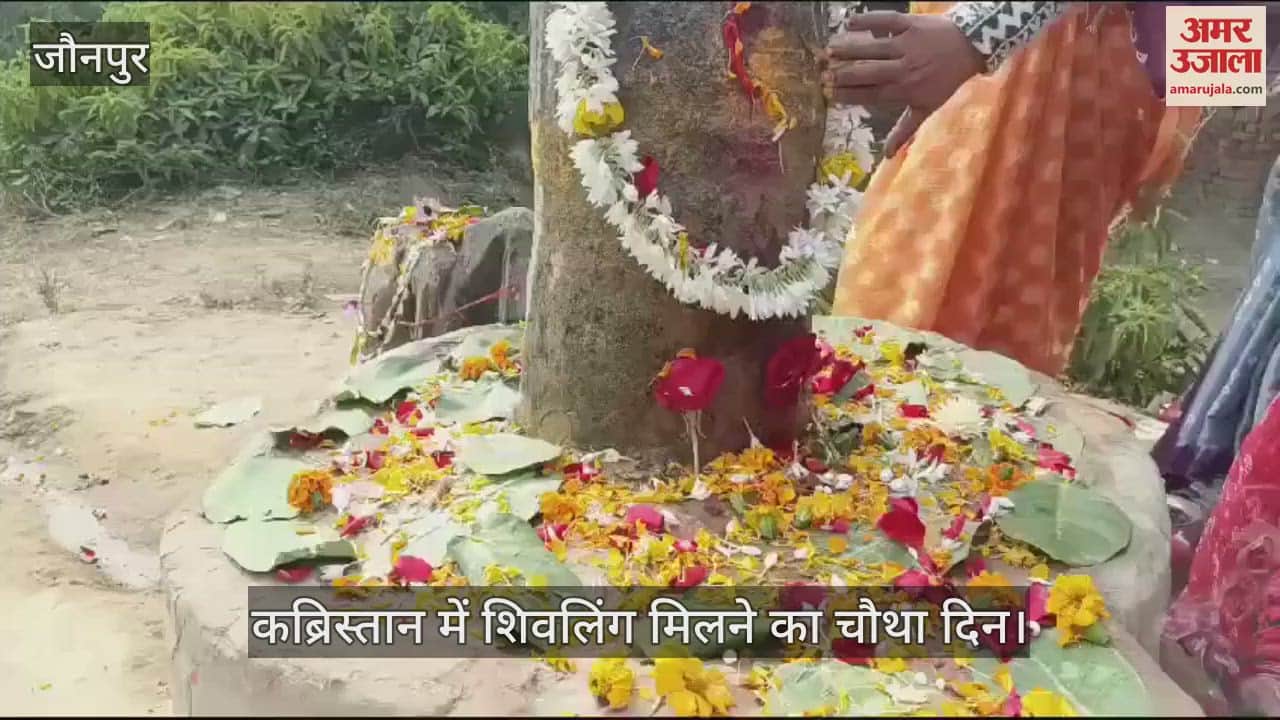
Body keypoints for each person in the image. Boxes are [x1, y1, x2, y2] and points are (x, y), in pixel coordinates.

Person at [823, 2, 1202, 376]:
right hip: (1044, 57)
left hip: (1072, 60)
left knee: (995, 297)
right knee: (926, 283)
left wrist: (976, 33)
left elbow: (1234, 44)